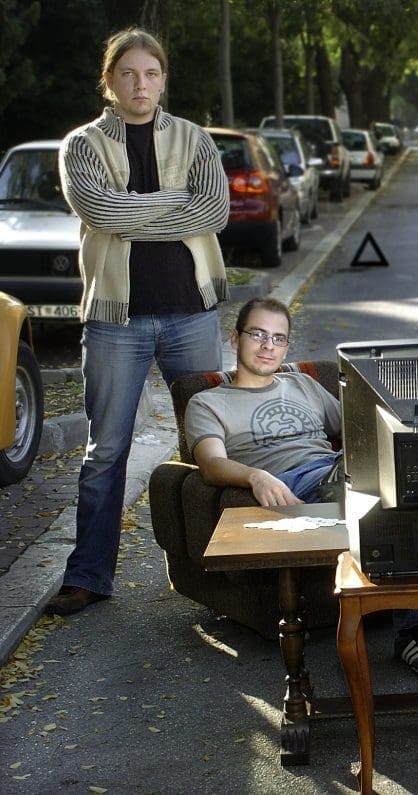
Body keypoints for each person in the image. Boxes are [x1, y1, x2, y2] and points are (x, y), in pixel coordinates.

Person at [49, 28, 230, 616]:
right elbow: (97, 209)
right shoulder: (82, 145)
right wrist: (174, 208)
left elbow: (215, 211)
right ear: (109, 81)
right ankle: (90, 575)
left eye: (151, 73)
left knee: (210, 444)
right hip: (114, 320)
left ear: (163, 79)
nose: (140, 84)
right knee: (106, 451)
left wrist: (132, 215)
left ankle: (220, 570)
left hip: (191, 313)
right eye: (128, 73)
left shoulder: (195, 138)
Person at [184, 298, 418, 679]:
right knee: (390, 486)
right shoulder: (209, 401)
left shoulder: (302, 384)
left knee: (413, 469)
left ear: (286, 347)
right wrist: (256, 476)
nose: (268, 346)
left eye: (278, 338)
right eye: (258, 335)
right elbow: (211, 463)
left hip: (338, 467)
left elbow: (360, 424)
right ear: (235, 338)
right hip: (296, 481)